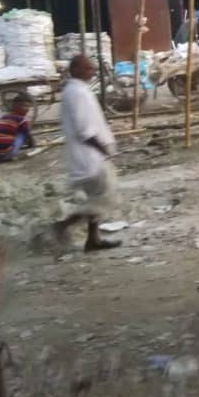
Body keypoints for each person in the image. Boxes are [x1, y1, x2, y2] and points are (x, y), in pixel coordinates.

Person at [52, 55, 121, 251]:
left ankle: (93, 238)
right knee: (100, 198)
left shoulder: (76, 90)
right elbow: (85, 130)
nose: (92, 72)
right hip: (89, 156)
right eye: (88, 68)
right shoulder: (77, 93)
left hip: (86, 155)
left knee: (97, 197)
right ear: (75, 69)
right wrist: (104, 149)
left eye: (92, 68)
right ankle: (64, 225)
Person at [0, 93, 36, 162]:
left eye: (29, 107)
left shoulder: (3, 117)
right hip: (6, 155)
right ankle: (7, 152)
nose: (28, 109)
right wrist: (32, 144)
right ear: (15, 106)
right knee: (22, 133)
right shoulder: (21, 119)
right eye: (25, 106)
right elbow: (28, 134)